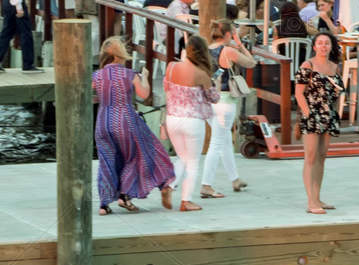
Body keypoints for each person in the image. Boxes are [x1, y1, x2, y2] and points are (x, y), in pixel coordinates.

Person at [91, 37, 174, 215]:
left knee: (106, 161)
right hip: (125, 121)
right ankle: (125, 195)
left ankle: (104, 205)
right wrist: (145, 78)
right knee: (135, 157)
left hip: (103, 122)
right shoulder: (129, 74)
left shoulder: (96, 76)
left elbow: (87, 94)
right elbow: (144, 94)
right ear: (119, 55)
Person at [163, 36, 220, 212]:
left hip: (173, 119)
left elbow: (166, 89)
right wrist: (216, 84)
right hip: (193, 121)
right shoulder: (201, 74)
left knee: (182, 157)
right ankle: (186, 201)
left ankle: (169, 185)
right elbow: (214, 98)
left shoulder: (171, 67)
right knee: (193, 161)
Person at [201, 21, 256, 196]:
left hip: (208, 100)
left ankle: (235, 179)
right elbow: (251, 63)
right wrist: (240, 45)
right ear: (227, 34)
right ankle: (206, 184)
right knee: (217, 143)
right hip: (224, 100)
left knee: (224, 141)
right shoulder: (228, 51)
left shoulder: (205, 50)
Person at [294, 31, 344, 214]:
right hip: (312, 114)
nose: (323, 46)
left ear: (331, 46)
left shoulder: (335, 67)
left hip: (328, 114)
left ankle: (317, 197)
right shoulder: (308, 65)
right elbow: (299, 93)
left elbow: (337, 94)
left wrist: (335, 113)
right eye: (320, 43)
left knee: (321, 157)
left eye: (327, 43)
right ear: (314, 46)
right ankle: (311, 201)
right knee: (311, 157)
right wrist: (307, 114)